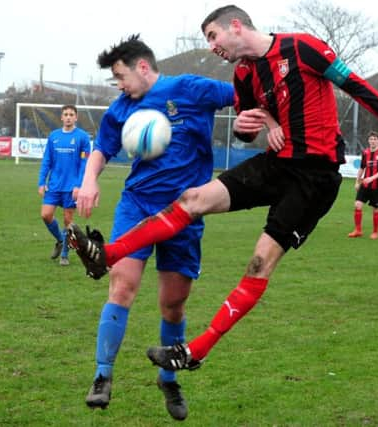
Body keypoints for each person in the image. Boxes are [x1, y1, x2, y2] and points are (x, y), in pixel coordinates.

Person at [68, 5, 378, 386]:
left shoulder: (303, 48)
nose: (211, 47)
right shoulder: (243, 73)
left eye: (213, 36)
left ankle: (197, 350)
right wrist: (248, 126)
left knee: (259, 263)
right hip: (276, 163)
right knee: (193, 199)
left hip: (315, 178)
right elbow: (247, 123)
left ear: (235, 26)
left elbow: (355, 85)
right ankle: (107, 255)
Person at [68, 35, 234, 420]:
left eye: (121, 76)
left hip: (186, 212)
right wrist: (90, 179)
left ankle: (168, 379)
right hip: (138, 205)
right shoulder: (121, 108)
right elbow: (102, 148)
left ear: (143, 67)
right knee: (121, 286)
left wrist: (259, 118)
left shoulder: (191, 89)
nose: (119, 84)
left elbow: (245, 96)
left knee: (173, 304)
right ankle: (102, 377)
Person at [38, 104, 90, 266]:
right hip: (54, 185)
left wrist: (78, 185)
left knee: (68, 220)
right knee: (45, 215)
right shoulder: (54, 136)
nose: (68, 117)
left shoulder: (82, 137)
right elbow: (47, 160)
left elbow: (84, 163)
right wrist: (42, 182)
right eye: (65, 114)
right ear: (61, 117)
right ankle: (61, 241)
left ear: (76, 117)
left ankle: (65, 255)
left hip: (71, 187)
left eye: (71, 114)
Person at [348, 131, 378, 239]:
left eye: (375, 139)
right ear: (368, 141)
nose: (373, 141)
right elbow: (362, 168)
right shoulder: (365, 153)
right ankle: (358, 230)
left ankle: (375, 232)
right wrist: (357, 181)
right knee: (357, 205)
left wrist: (372, 178)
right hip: (365, 185)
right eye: (371, 139)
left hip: (376, 187)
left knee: (375, 209)